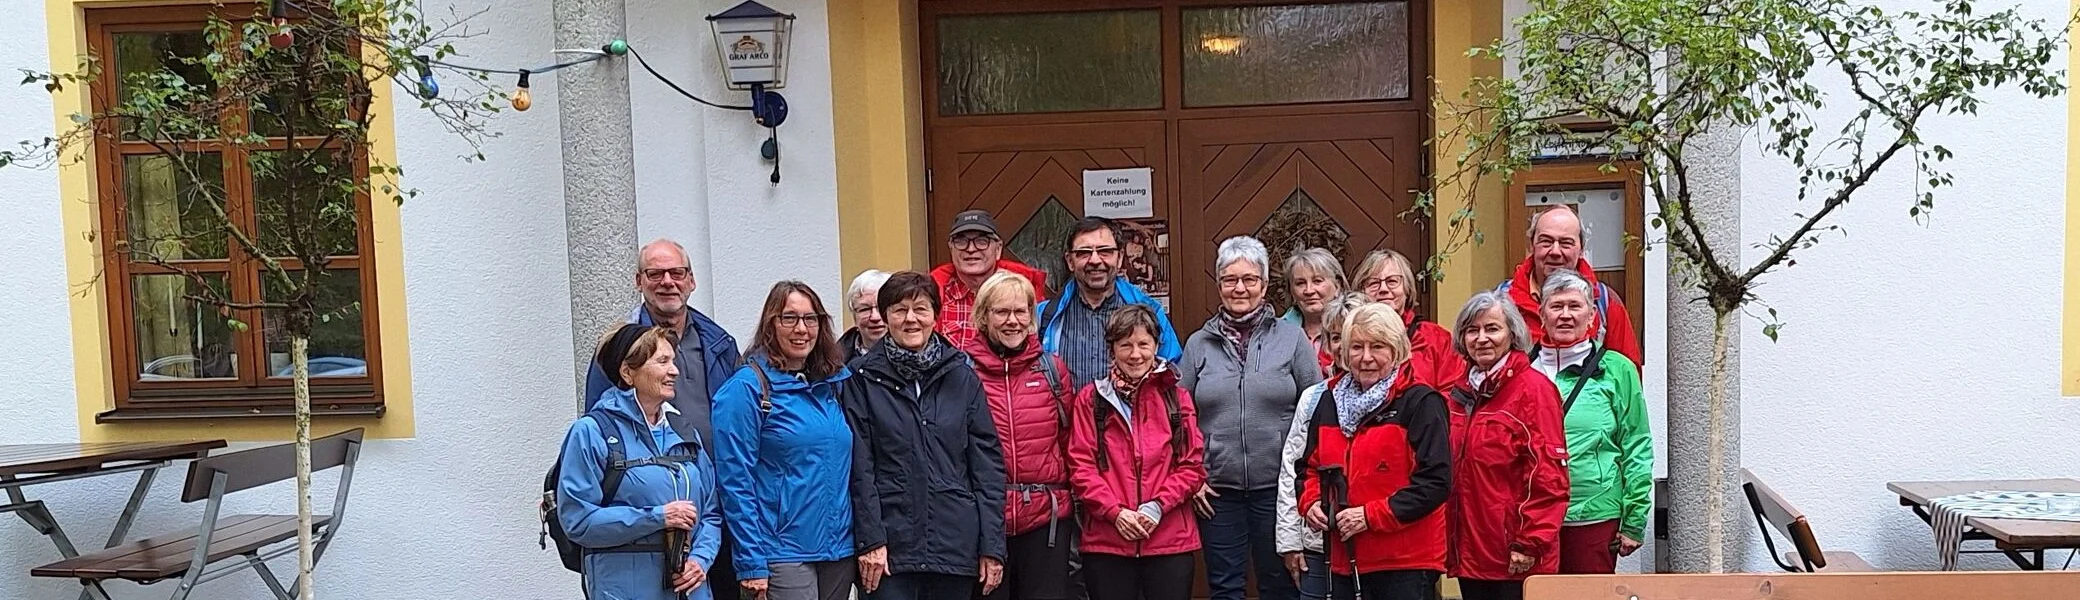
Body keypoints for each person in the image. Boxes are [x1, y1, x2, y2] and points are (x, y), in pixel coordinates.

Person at [582, 239, 744, 598]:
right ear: (639, 281)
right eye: (655, 274)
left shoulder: (719, 342)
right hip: (642, 530)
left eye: (677, 273)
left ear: (691, 281)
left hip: (712, 509)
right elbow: (597, 428)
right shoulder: (617, 349)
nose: (667, 281)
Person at [844, 271, 1008, 600]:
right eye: (899, 309)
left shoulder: (962, 377)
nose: (910, 319)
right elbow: (859, 468)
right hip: (890, 551)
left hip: (954, 546)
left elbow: (986, 468)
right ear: (886, 316)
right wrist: (872, 541)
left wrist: (992, 546)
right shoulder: (861, 380)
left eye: (920, 309)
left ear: (936, 315)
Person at [1178, 236, 1324, 600]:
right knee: (1225, 588)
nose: (1239, 287)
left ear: (1263, 284)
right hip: (1218, 492)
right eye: (1230, 279)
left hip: (1278, 489)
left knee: (1280, 586)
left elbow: (1318, 410)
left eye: (1249, 279)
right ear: (1219, 285)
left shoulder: (1291, 340)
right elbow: (1178, 416)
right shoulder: (1198, 344)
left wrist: (1308, 480)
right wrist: (1193, 476)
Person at [712, 282, 860, 600]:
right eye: (789, 318)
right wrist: (751, 561)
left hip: (837, 550)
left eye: (810, 319)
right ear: (770, 325)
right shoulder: (747, 388)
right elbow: (735, 482)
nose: (801, 329)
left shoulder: (832, 385)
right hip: (781, 552)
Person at [1295, 303, 1452, 600]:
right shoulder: (1329, 400)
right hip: (1344, 559)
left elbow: (1435, 483)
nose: (1366, 358)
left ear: (1397, 351)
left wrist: (1370, 516)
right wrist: (1311, 501)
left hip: (1404, 561)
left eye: (1377, 346)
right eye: (1356, 347)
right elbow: (1307, 467)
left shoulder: (1421, 402)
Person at [558, 324, 725, 600]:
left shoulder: (683, 429)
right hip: (623, 589)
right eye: (662, 361)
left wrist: (701, 559)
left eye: (673, 361)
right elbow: (578, 521)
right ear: (628, 372)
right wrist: (658, 517)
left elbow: (711, 511)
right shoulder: (591, 432)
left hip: (690, 590)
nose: (675, 371)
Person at [1066, 305, 1207, 600]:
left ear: (1157, 346)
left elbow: (1192, 466)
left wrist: (1157, 506)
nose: (1135, 354)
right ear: (1111, 349)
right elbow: (1081, 467)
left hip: (1169, 539)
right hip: (1108, 541)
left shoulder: (1176, 398)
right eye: (1125, 345)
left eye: (1143, 344)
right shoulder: (1091, 400)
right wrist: (1115, 513)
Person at [961, 271, 1078, 600]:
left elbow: (1070, 442)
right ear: (984, 316)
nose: (1012, 321)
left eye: (1020, 311)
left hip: (1045, 521)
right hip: (984, 520)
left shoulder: (1053, 370)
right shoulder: (962, 372)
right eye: (1001, 312)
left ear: (1031, 316)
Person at [1445, 293, 1570, 600]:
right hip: (1470, 552)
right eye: (1472, 330)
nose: (1482, 338)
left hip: (1515, 555)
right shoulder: (1458, 394)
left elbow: (1548, 476)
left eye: (1492, 329)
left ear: (1512, 335)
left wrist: (1530, 542)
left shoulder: (1534, 391)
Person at [1531, 270, 1652, 575]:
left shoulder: (1616, 369)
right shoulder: (1522, 369)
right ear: (1541, 315)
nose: (1566, 315)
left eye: (1575, 306)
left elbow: (1636, 443)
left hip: (1594, 514)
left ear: (1592, 317)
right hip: (1531, 517)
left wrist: (1635, 518)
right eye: (1556, 306)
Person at [1274, 292, 1369, 600]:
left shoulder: (1400, 397)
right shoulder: (1313, 397)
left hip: (1374, 541)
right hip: (1318, 544)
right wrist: (1290, 541)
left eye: (1354, 336)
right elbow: (1293, 467)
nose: (1345, 346)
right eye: (1337, 337)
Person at [1038, 216, 1183, 388]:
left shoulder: (1150, 313)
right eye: (1084, 253)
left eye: (1104, 251)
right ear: (1070, 261)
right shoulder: (1045, 317)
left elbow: (1170, 376)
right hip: (1068, 415)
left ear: (1120, 257)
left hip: (1132, 415)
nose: (1095, 260)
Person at [1497, 208, 1641, 366]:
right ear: (1532, 245)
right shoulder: (1502, 303)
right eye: (1546, 241)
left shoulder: (1604, 302)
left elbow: (1627, 376)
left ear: (1581, 249)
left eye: (1566, 243)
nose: (1555, 251)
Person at [1351, 250, 1465, 391]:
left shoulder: (1437, 339)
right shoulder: (1348, 337)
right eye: (1373, 283)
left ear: (1407, 289)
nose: (1383, 289)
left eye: (1392, 281)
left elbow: (1454, 394)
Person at [935, 209, 1052, 348]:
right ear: (951, 248)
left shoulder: (1023, 293)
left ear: (998, 249)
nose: (971, 249)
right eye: (961, 241)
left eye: (981, 241)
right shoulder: (934, 296)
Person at [1279, 248, 1346, 376]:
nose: (1309, 290)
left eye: (1317, 281)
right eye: (1300, 283)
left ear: (1337, 285)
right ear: (1291, 291)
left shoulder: (1355, 327)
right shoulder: (1278, 333)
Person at [843, 269, 894, 361]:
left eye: (881, 307)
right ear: (854, 316)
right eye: (865, 309)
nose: (875, 317)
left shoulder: (917, 360)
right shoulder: (833, 362)